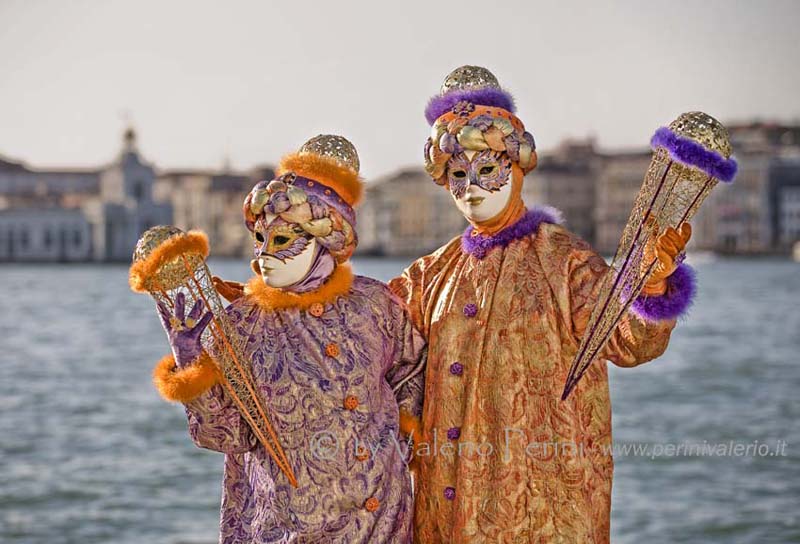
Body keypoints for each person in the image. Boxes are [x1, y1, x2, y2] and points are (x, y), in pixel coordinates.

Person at [388, 66, 696, 543]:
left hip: (546, 514)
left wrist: (649, 285)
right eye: (456, 174)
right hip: (444, 515)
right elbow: (373, 350)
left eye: (486, 168)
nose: (471, 186)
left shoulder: (566, 263)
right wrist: (278, 311)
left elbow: (627, 339)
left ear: (516, 166)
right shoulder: (429, 276)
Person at [148, 135, 425, 543]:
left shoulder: (374, 304)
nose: (263, 255)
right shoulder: (241, 324)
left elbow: (410, 369)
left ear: (327, 240)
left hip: (383, 526)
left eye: (281, 241)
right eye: (259, 239)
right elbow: (225, 435)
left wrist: (396, 443)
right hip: (289, 531)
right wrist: (193, 366)